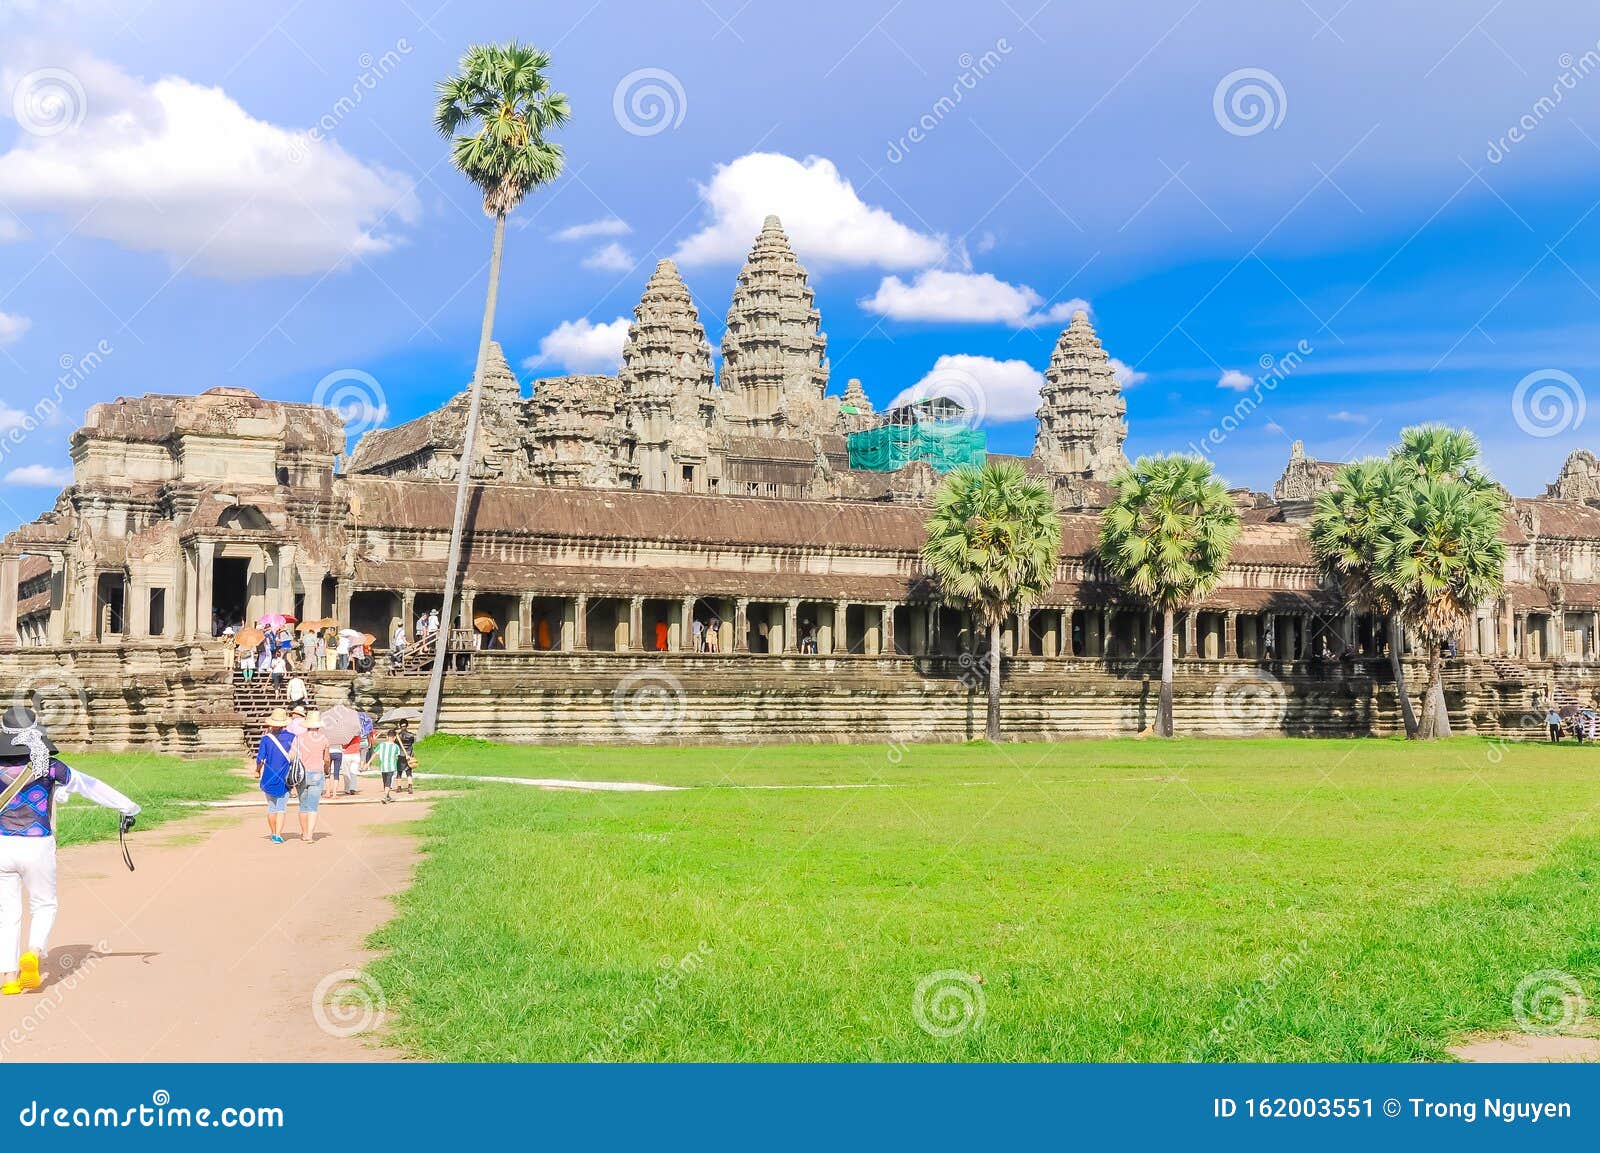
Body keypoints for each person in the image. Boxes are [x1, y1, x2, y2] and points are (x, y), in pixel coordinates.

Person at [0, 706, 140, 996]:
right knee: (44, 905)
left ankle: (10, 976)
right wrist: (128, 807)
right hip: (37, 844)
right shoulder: (50, 767)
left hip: (2, 845)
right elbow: (91, 786)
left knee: (7, 912)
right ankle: (34, 953)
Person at [289, 711, 331, 843]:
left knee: (303, 806)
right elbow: (327, 759)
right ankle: (310, 835)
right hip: (317, 773)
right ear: (318, 725)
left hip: (302, 774)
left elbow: (292, 756)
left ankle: (304, 832)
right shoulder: (323, 739)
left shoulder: (299, 738)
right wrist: (326, 769)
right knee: (313, 806)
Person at [255, 709, 294, 843]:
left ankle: (273, 833)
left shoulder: (266, 739)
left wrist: (258, 770)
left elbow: (260, 758)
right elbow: (296, 757)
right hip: (285, 776)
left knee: (271, 807)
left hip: (268, 776)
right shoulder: (292, 737)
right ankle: (278, 834)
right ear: (285, 724)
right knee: (281, 807)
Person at [370, 728, 408, 805]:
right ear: (394, 738)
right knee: (388, 782)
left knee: (385, 782)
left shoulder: (381, 745)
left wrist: (368, 763)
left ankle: (387, 795)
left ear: (387, 737)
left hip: (383, 767)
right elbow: (396, 757)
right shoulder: (396, 747)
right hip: (391, 767)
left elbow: (374, 754)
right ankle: (385, 796)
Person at [395, 720, 417, 794]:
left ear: (400, 726)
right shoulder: (411, 735)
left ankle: (399, 787)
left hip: (401, 754)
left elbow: (396, 744)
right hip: (409, 754)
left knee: (399, 771)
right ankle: (410, 786)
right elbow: (412, 742)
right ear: (407, 726)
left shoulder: (397, 736)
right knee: (409, 771)